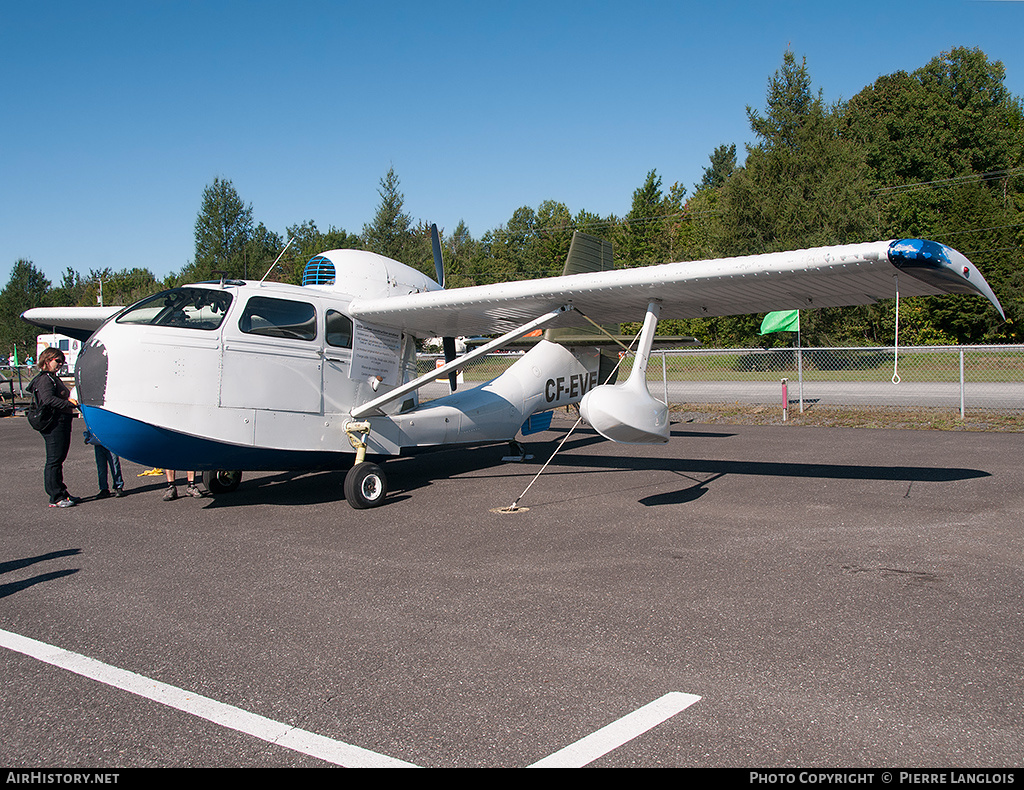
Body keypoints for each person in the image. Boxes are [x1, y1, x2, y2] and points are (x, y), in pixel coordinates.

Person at [31, 348, 79, 508]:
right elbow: (48, 399)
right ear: (47, 360)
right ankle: (56, 496)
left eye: (62, 361)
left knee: (58, 459)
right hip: (54, 423)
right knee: (54, 460)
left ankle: (61, 492)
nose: (60, 364)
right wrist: (68, 404)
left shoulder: (52, 378)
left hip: (61, 421)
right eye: (57, 361)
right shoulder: (45, 379)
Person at [85, 429, 124, 498]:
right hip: (98, 443)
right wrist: (87, 436)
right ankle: (104, 489)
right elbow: (89, 425)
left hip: (110, 442)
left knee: (114, 465)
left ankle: (118, 486)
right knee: (101, 468)